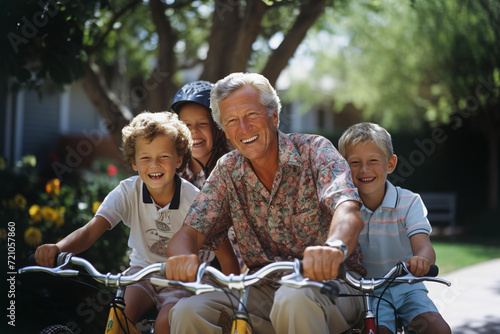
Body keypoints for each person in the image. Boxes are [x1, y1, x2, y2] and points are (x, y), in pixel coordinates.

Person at [165, 72, 367, 334]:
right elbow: (190, 231)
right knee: (187, 311)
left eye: (251, 115)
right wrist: (183, 256)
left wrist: (334, 247)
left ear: (274, 116)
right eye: (232, 121)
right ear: (225, 130)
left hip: (336, 284)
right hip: (263, 289)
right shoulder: (227, 170)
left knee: (293, 297)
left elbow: (348, 209)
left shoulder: (314, 150)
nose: (244, 129)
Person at [35, 111, 238, 333]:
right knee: (120, 314)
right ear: (133, 162)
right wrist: (58, 248)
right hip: (142, 273)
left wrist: (234, 297)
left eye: (164, 157)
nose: (154, 165)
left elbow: (225, 254)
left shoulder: (194, 199)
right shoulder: (127, 192)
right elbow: (90, 231)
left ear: (179, 159)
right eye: (145, 158)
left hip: (182, 281)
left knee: (164, 323)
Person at [338, 122, 451, 334]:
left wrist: (422, 260)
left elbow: (424, 247)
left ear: (390, 164)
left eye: (373, 161)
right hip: (368, 293)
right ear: (343, 166)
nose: (364, 169)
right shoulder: (344, 208)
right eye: (354, 162)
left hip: (407, 286)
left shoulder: (409, 202)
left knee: (437, 329)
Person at [170, 80, 245, 271]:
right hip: (187, 271)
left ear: (219, 128)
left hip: (236, 270)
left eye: (203, 124)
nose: (194, 131)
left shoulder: (235, 170)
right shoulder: (172, 174)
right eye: (186, 125)